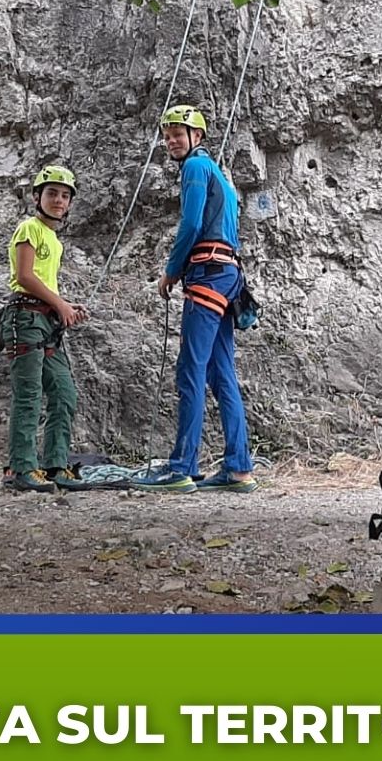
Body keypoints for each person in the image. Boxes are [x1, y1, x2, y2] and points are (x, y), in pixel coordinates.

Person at [131, 105, 257, 493]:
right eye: (167, 135)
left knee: (190, 369)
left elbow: (191, 223)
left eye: (178, 134)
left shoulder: (196, 169)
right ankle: (238, 468)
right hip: (229, 276)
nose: (171, 141)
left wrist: (171, 270)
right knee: (221, 373)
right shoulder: (222, 178)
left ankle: (181, 466)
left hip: (207, 273)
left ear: (197, 138)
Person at [1, 165, 88, 491]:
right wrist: (60, 305)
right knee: (29, 395)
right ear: (37, 196)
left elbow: (42, 281)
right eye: (52, 193)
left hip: (44, 320)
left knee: (64, 392)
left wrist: (63, 306)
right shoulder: (29, 229)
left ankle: (55, 465)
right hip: (24, 319)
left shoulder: (51, 237)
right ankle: (22, 468)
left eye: (65, 196)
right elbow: (24, 277)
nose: (59, 201)